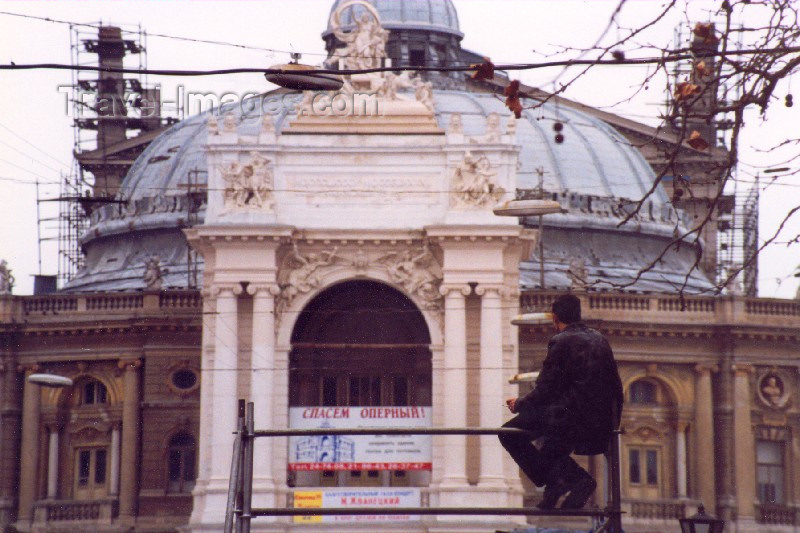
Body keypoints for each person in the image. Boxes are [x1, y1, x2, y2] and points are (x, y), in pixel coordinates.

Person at [500, 294, 623, 510]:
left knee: (509, 433)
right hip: (599, 420)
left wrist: (518, 404)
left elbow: (546, 388)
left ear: (555, 318)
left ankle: (570, 481)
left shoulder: (561, 340)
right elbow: (615, 385)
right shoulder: (599, 339)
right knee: (552, 450)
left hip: (568, 417)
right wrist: (613, 421)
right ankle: (558, 488)